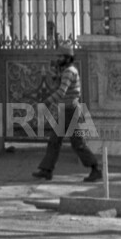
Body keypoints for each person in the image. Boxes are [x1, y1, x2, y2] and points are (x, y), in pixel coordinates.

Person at [33, 48, 102, 182]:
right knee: (54, 141)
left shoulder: (69, 72)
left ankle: (95, 169)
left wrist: (46, 102)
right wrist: (55, 77)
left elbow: (61, 92)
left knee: (78, 143)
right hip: (66, 110)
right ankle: (46, 170)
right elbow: (59, 88)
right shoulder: (67, 71)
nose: (58, 59)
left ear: (67, 58)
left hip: (71, 111)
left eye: (61, 56)